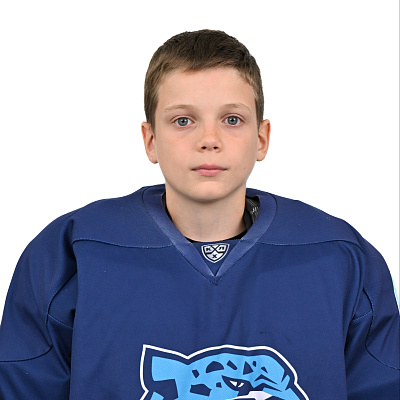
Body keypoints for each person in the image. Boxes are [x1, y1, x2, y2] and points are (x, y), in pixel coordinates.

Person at [0, 29, 398, 400]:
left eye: (232, 119)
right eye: (183, 120)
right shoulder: (72, 253)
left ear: (262, 138)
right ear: (150, 140)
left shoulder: (341, 257)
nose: (209, 140)